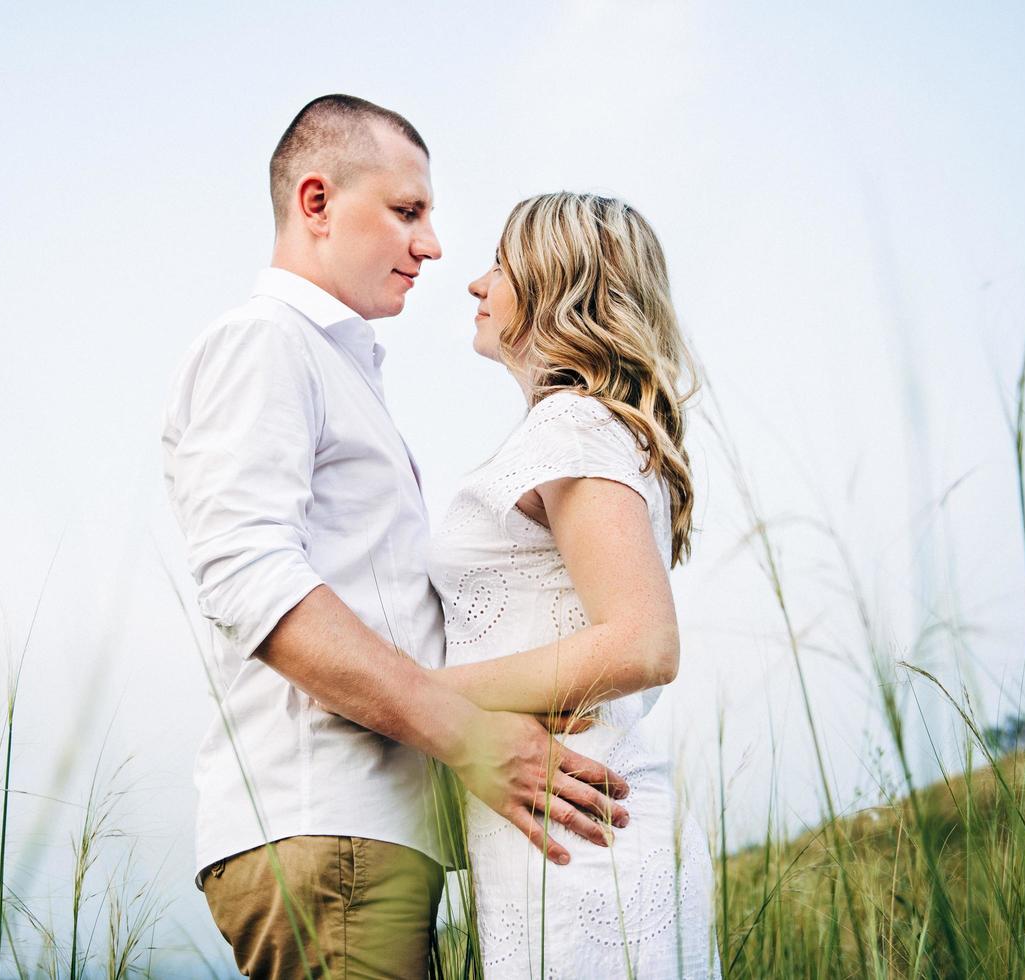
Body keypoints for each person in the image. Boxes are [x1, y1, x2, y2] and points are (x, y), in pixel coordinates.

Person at [161, 96, 630, 979]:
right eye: (407, 211)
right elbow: (249, 578)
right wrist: (465, 733)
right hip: (328, 827)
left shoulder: (337, 369)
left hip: (365, 834)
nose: (433, 246)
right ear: (316, 203)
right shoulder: (263, 344)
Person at [429, 192, 723, 977]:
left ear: (557, 284)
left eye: (499, 263)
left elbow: (644, 642)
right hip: (573, 816)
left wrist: (426, 696)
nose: (475, 284)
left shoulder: (575, 427)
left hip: (584, 831)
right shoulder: (586, 427)